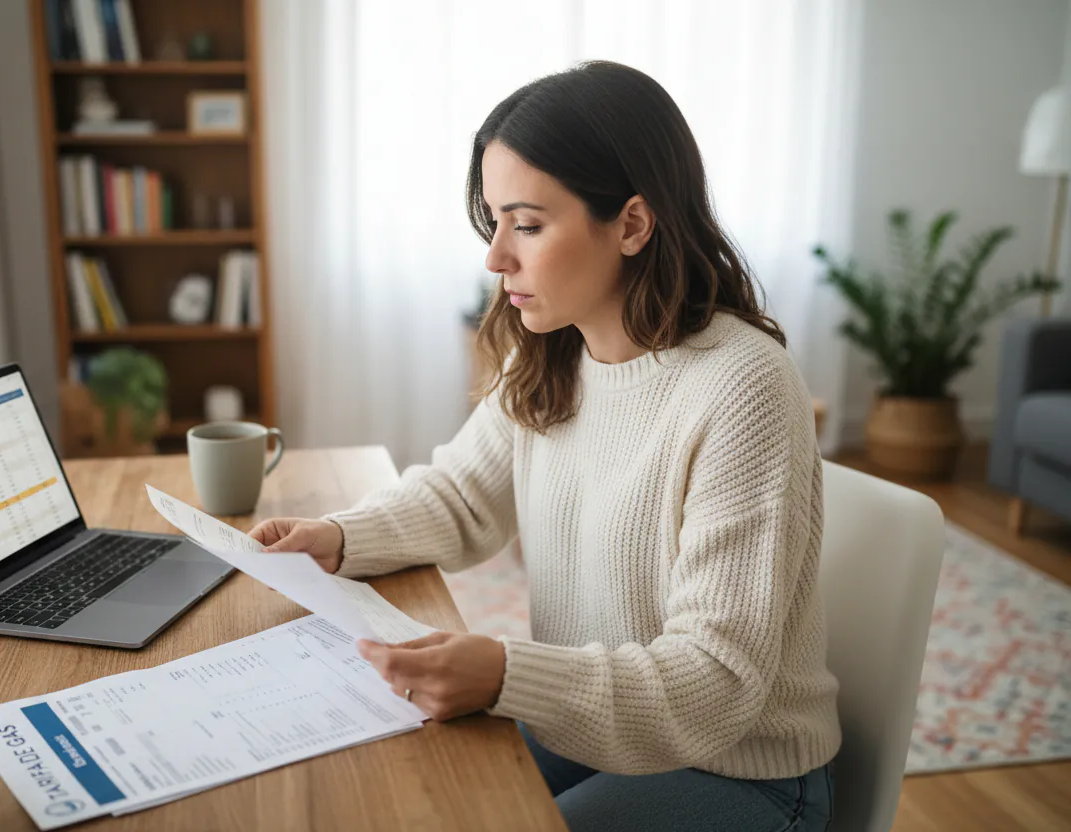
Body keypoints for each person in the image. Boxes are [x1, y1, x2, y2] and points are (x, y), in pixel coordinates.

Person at [251, 60, 839, 831]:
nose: (497, 258)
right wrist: (338, 537)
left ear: (632, 223)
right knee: (394, 780)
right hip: (598, 728)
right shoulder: (556, 351)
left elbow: (716, 681)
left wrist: (501, 672)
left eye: (526, 225)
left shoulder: (742, 389)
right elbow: (462, 496)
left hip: (740, 769)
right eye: (493, 222)